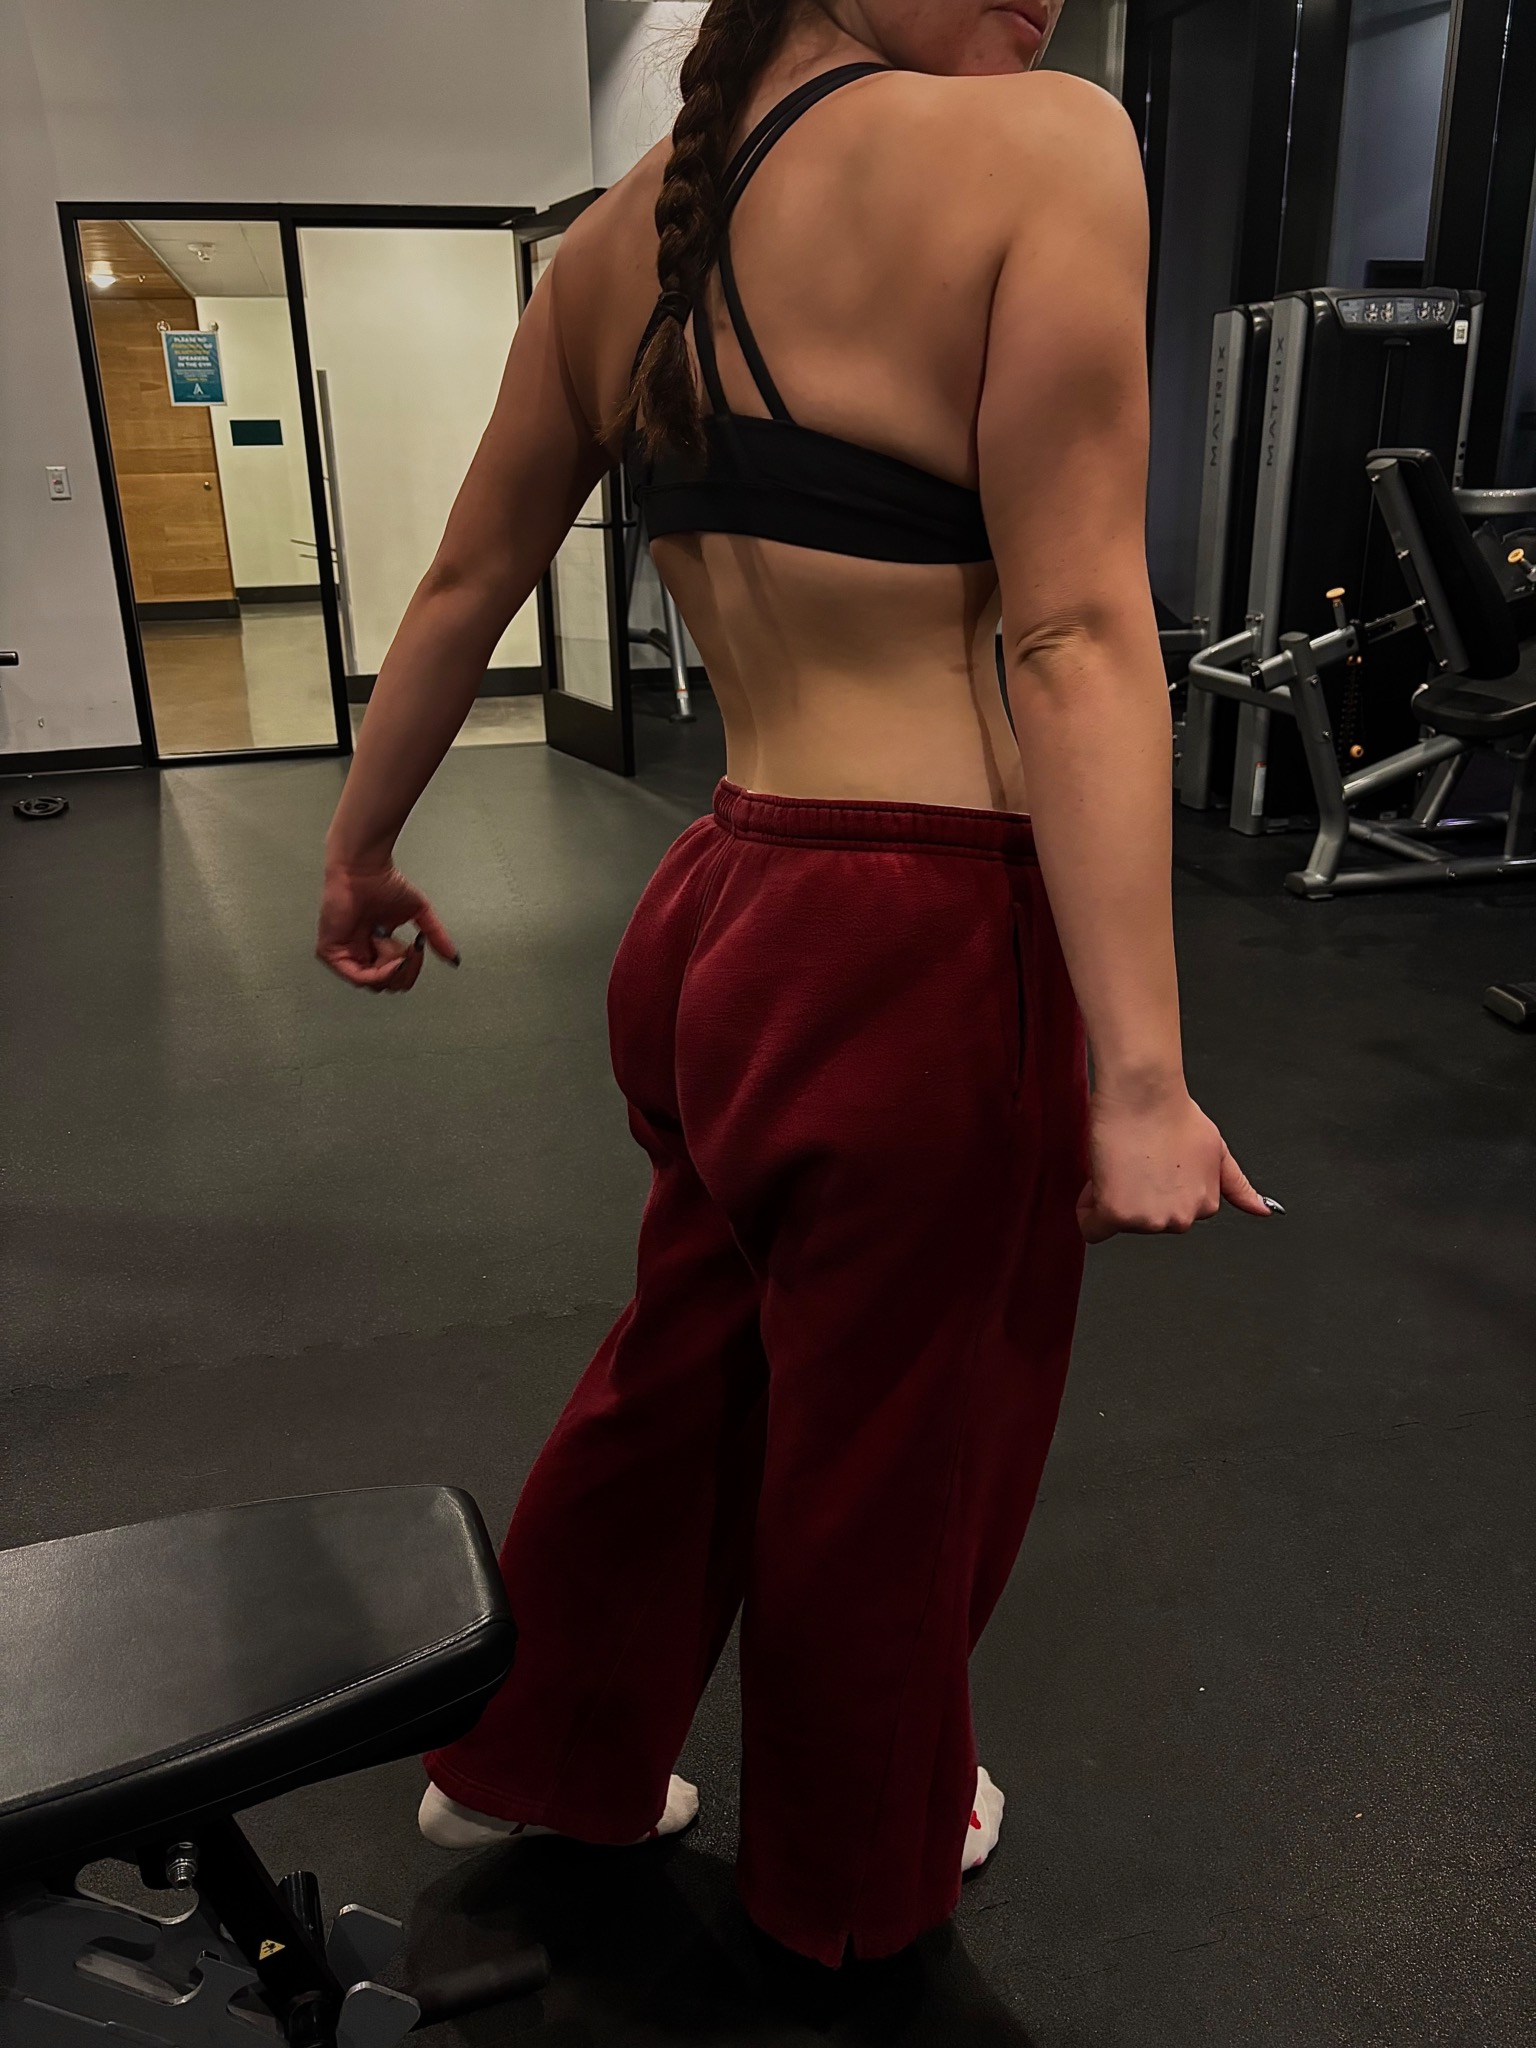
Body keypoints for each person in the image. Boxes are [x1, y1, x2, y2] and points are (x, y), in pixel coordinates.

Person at [315, 0, 1273, 1972]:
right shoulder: (1048, 147)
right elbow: (1078, 632)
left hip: (721, 910)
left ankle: (539, 1751)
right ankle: (852, 1875)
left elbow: (465, 583)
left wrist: (359, 845)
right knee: (901, 1446)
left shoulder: (612, 239)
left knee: (693, 1360)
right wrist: (1143, 1075)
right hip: (919, 931)